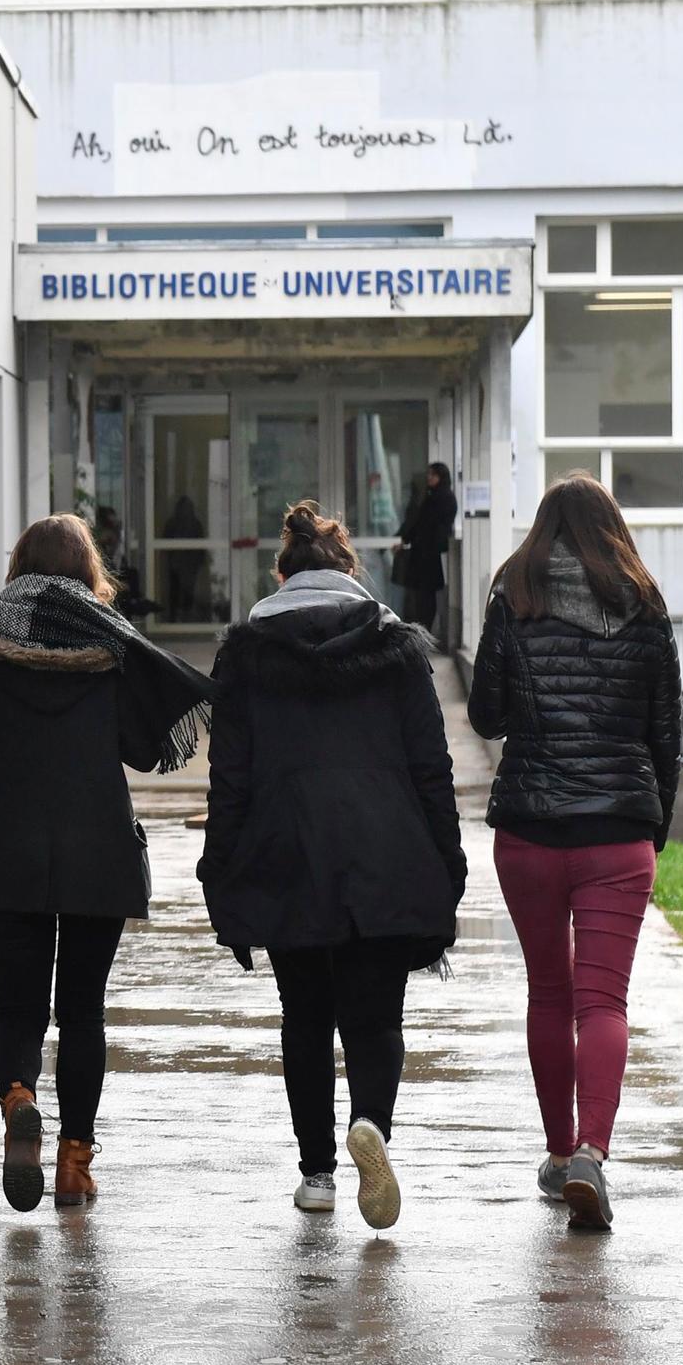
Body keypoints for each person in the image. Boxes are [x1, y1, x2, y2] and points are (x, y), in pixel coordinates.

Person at [198, 502, 464, 1230]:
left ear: (281, 575)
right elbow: (431, 769)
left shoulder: (249, 653)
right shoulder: (399, 649)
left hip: (285, 855)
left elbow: (232, 779)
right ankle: (371, 1123)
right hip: (387, 853)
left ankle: (317, 1173)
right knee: (376, 1019)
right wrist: (448, 862)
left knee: (305, 1018)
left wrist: (219, 873)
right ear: (351, 572)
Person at [0, 514, 214, 1212]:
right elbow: (140, 748)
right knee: (83, 1012)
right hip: (97, 846)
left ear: (20, 566)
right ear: (88, 569)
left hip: (9, 845)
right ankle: (74, 1166)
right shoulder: (111, 642)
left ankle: (19, 1098)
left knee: (18, 1007)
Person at [468, 473, 682, 1234]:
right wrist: (651, 827)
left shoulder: (514, 594)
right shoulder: (644, 603)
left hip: (529, 827)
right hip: (618, 831)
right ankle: (594, 1149)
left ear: (543, 528)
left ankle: (559, 1155)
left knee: (549, 995)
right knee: (603, 1001)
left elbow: (486, 715)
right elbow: (666, 735)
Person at [391, 462, 459, 647]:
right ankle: (421, 632)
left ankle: (424, 633)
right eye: (428, 474)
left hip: (428, 556)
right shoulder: (431, 497)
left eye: (433, 475)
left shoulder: (443, 498)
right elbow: (418, 524)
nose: (429, 478)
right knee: (421, 597)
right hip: (424, 555)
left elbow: (428, 526)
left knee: (425, 598)